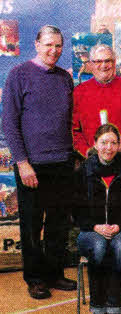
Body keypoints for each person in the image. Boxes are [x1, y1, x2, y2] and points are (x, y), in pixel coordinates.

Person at [2, 25, 77, 299]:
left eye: (58, 45)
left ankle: (55, 273)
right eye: (48, 45)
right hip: (31, 165)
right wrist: (22, 163)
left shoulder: (64, 79)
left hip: (62, 162)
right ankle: (35, 279)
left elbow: (69, 120)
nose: (53, 50)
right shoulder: (18, 74)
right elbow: (9, 123)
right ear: (36, 44)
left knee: (59, 223)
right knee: (32, 224)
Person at [74, 124, 121, 314]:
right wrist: (95, 227)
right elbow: (75, 211)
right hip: (90, 232)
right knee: (99, 246)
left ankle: (115, 305)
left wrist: (119, 226)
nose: (109, 148)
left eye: (113, 142)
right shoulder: (83, 171)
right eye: (104, 142)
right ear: (95, 144)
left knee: (120, 247)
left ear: (120, 145)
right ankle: (97, 305)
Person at [72, 44, 121, 159]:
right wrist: (87, 151)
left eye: (108, 61)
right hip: (92, 161)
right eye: (98, 61)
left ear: (114, 62)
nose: (104, 65)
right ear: (91, 65)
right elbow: (74, 130)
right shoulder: (79, 92)